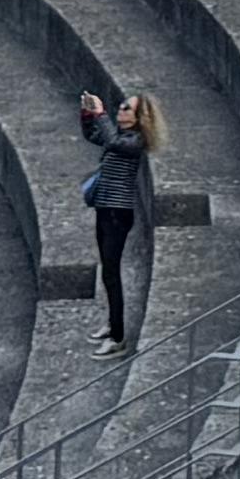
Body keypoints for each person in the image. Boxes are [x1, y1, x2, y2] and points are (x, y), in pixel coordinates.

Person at [77, 84, 157, 353]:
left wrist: (101, 114)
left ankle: (118, 337)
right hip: (104, 210)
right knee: (107, 271)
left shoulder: (134, 142)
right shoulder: (120, 136)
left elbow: (110, 140)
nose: (120, 109)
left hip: (117, 214)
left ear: (137, 117)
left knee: (112, 272)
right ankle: (113, 324)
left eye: (125, 108)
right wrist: (88, 114)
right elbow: (93, 136)